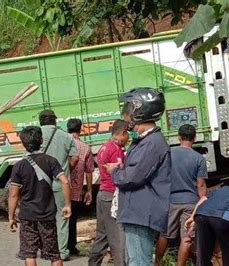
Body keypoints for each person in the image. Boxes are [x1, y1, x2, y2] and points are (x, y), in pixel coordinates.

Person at [107, 88, 171, 265]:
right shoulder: (145, 141)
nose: (125, 117)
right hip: (138, 212)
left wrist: (115, 171)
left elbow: (131, 178)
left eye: (128, 111)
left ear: (139, 112)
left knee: (138, 262)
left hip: (141, 213)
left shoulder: (151, 143)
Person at [8, 126, 72, 266]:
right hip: (47, 214)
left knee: (29, 254)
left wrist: (11, 217)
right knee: (54, 254)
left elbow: (13, 195)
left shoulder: (19, 166)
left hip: (27, 215)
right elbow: (65, 181)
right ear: (41, 140)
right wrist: (67, 205)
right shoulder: (51, 161)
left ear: (23, 144)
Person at [154, 124, 208, 266]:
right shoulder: (199, 159)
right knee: (187, 238)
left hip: (171, 201)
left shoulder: (169, 154)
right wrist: (202, 202)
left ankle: (157, 263)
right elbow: (201, 185)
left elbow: (161, 177)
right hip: (191, 202)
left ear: (178, 137)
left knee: (165, 234)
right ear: (195, 138)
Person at [39, 109, 79, 261]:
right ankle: (61, 252)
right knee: (62, 217)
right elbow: (75, 158)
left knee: (43, 216)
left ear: (41, 121)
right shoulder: (66, 136)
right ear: (54, 121)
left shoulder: (36, 136)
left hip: (41, 184)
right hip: (61, 183)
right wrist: (65, 169)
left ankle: (46, 249)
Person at [89, 119, 129, 266]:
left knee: (102, 234)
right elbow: (120, 172)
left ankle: (93, 262)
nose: (128, 138)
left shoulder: (104, 147)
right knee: (118, 237)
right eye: (127, 135)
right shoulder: (116, 150)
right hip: (112, 195)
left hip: (103, 193)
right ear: (123, 133)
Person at [185, 186, 229, 266]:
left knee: (203, 256)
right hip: (222, 216)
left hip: (200, 214)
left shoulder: (224, 190)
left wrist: (192, 217)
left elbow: (203, 198)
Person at [66, 118, 94, 255]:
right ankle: (71, 246)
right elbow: (89, 172)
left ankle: (61, 244)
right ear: (80, 129)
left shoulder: (63, 144)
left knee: (60, 216)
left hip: (61, 187)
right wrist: (89, 190)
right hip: (76, 189)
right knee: (72, 218)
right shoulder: (85, 147)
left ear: (67, 129)